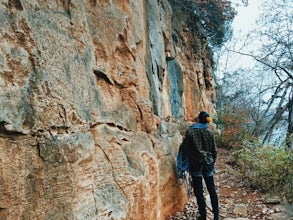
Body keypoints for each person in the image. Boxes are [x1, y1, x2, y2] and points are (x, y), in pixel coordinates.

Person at [181, 111, 219, 220]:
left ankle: (203, 215)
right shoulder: (210, 132)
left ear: (199, 119)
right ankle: (216, 216)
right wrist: (212, 162)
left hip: (195, 164)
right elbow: (214, 150)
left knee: (198, 191)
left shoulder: (190, 131)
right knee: (212, 189)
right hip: (208, 164)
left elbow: (185, 148)